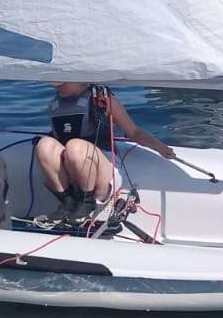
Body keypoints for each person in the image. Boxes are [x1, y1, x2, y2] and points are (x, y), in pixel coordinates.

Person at [33, 83, 175, 224]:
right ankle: (67, 202)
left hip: (102, 168)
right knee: (45, 145)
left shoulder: (102, 98)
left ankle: (87, 202)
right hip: (72, 168)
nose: (55, 85)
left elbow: (133, 132)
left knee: (75, 147)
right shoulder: (56, 104)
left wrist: (160, 147)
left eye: (61, 82)